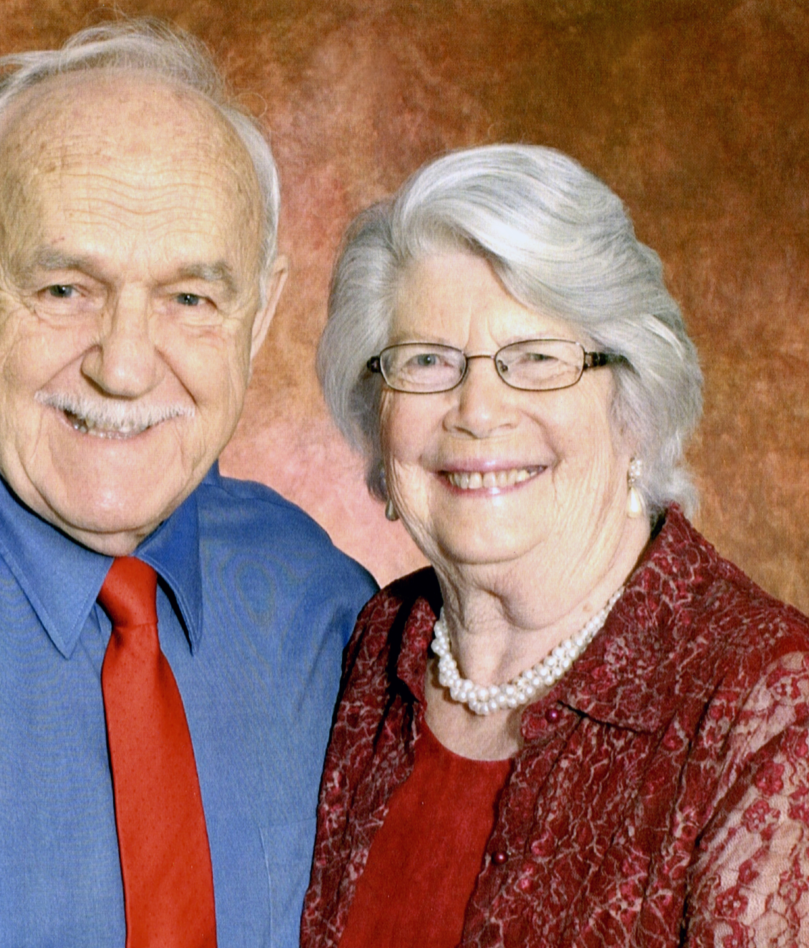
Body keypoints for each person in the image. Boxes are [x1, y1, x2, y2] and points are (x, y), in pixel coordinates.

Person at [0, 20, 376, 948]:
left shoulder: (327, 612)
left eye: (190, 298)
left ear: (258, 318)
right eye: (65, 289)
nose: (125, 368)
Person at [301, 144, 809, 947]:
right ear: (377, 413)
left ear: (634, 404)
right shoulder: (374, 646)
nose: (478, 411)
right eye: (428, 361)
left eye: (536, 359)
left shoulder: (769, 709)